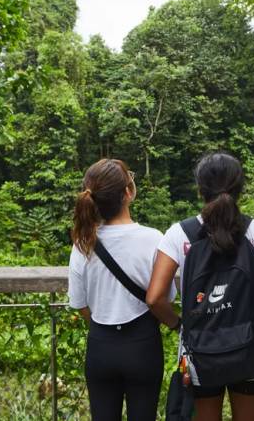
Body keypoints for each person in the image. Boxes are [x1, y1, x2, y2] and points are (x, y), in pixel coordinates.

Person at [146, 152, 254, 421]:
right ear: (240, 188)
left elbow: (154, 299)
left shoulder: (180, 234)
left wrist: (179, 325)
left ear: (200, 190)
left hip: (200, 353)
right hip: (253, 352)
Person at [68, 159, 175, 421]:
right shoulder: (154, 239)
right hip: (143, 344)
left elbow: (80, 304)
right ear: (128, 192)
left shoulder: (83, 242)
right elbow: (165, 297)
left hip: (101, 345)